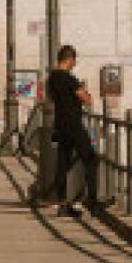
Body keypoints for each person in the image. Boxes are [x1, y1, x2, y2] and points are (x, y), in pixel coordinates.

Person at [46, 44, 101, 218]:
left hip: (60, 124)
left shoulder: (52, 78)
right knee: (91, 159)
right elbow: (87, 100)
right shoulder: (68, 78)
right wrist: (83, 90)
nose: (75, 64)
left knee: (63, 162)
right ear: (69, 59)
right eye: (74, 61)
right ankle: (92, 201)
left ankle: (63, 203)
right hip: (73, 123)